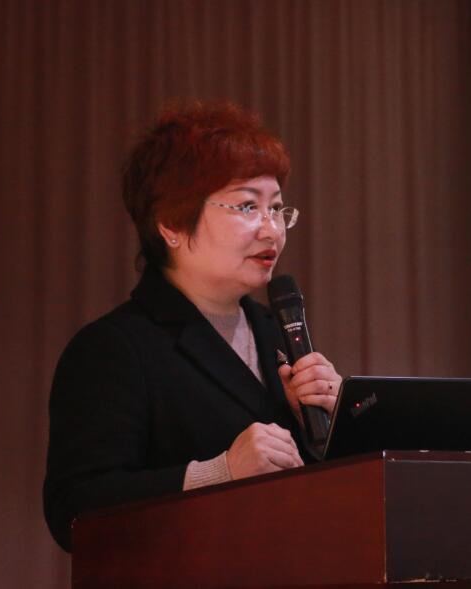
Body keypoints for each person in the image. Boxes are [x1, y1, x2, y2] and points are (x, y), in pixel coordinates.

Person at [43, 102, 342, 552]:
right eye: (247, 206)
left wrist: (325, 426)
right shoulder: (115, 348)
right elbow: (74, 509)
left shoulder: (276, 331)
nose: (272, 231)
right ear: (172, 223)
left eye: (278, 208)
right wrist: (219, 472)